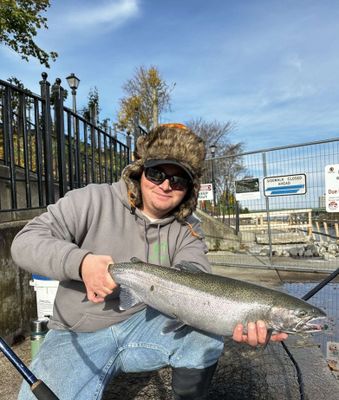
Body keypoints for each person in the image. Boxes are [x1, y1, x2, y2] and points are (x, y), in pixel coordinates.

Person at [11, 123, 287, 400]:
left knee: (205, 340)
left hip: (145, 324)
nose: (166, 185)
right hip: (76, 333)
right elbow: (24, 242)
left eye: (178, 180)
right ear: (140, 170)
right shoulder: (91, 200)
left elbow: (200, 279)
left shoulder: (188, 228)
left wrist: (237, 320)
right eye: (157, 173)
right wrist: (80, 263)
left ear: (189, 189)